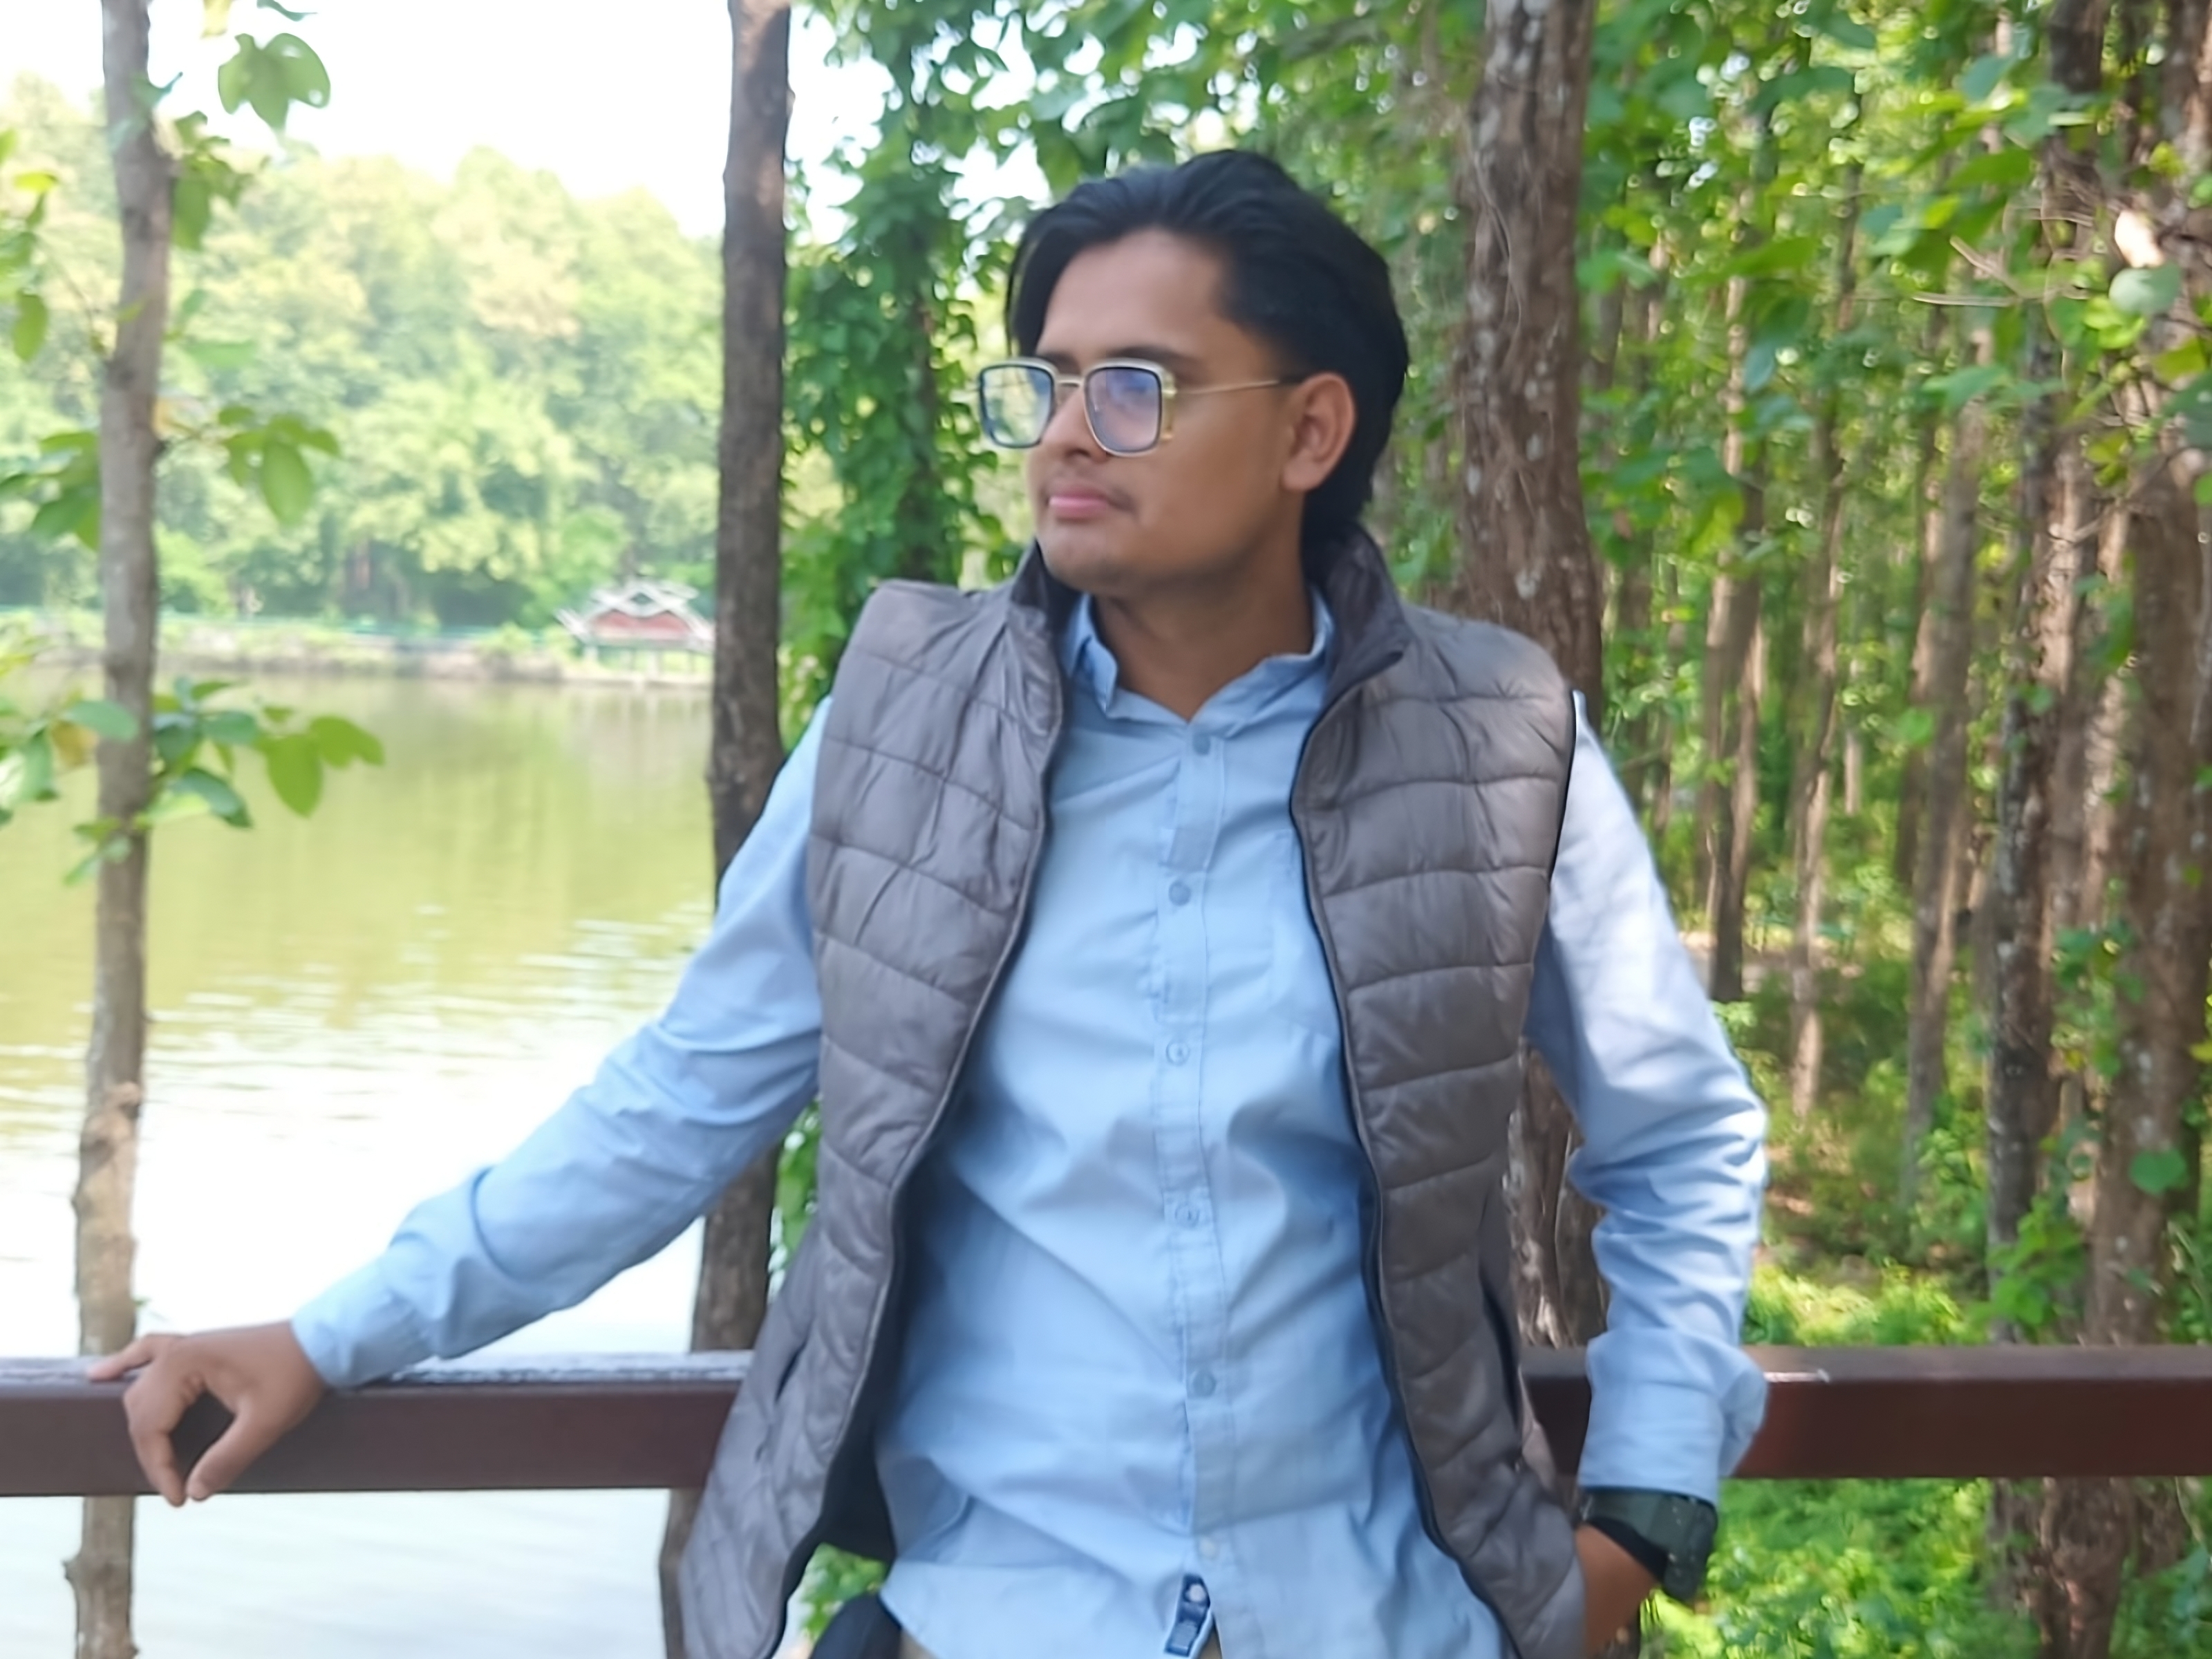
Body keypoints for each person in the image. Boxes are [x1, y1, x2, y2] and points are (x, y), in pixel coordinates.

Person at [94, 151, 1768, 1659]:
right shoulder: (902, 724)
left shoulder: (1496, 740)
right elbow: (682, 1098)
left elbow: (1679, 1137)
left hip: (1384, 1618)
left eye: (1136, 386)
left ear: (1309, 432)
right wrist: (333, 1334)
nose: (1064, 434)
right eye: (1044, 383)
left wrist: (1638, 1519)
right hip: (997, 1616)